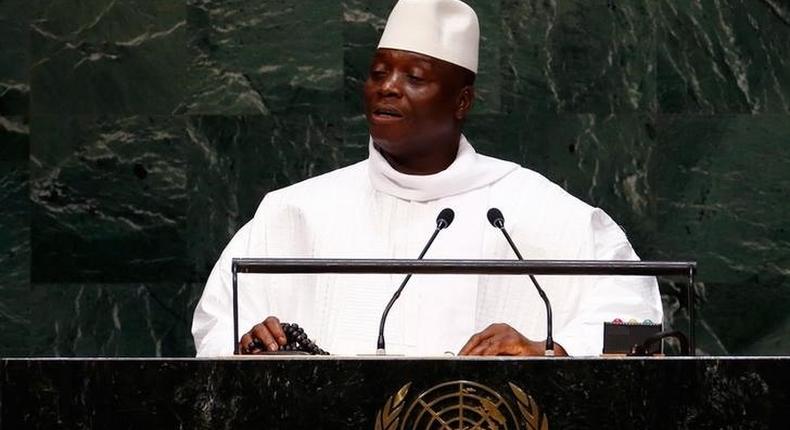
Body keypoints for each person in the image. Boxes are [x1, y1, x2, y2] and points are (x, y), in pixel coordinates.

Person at [191, 0, 663, 357]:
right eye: (379, 73)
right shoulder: (295, 213)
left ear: (461, 102)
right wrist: (245, 346)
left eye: (414, 77)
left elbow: (640, 331)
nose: (388, 86)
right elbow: (216, 328)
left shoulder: (535, 209)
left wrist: (552, 351)